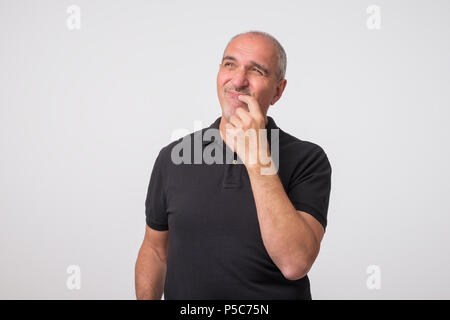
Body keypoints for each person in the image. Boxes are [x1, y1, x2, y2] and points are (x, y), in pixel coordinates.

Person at [135, 31, 332, 300]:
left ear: (278, 90)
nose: (238, 80)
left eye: (256, 70)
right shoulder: (174, 156)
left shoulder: (308, 160)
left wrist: (256, 157)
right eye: (230, 64)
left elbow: (295, 263)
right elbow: (156, 251)